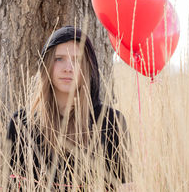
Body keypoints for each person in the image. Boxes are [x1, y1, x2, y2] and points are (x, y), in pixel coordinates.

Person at [7, 26, 132, 191]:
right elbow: (13, 186)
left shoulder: (110, 121)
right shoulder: (22, 122)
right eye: (59, 59)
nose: (68, 68)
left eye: (77, 60)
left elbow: (124, 184)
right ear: (47, 64)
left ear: (88, 67)